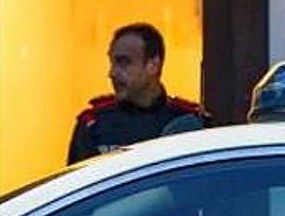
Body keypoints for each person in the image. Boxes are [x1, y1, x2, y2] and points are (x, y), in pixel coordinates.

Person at [67, 22, 211, 165]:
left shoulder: (185, 122)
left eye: (124, 62)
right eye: (112, 62)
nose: (112, 73)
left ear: (153, 65)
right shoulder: (94, 124)